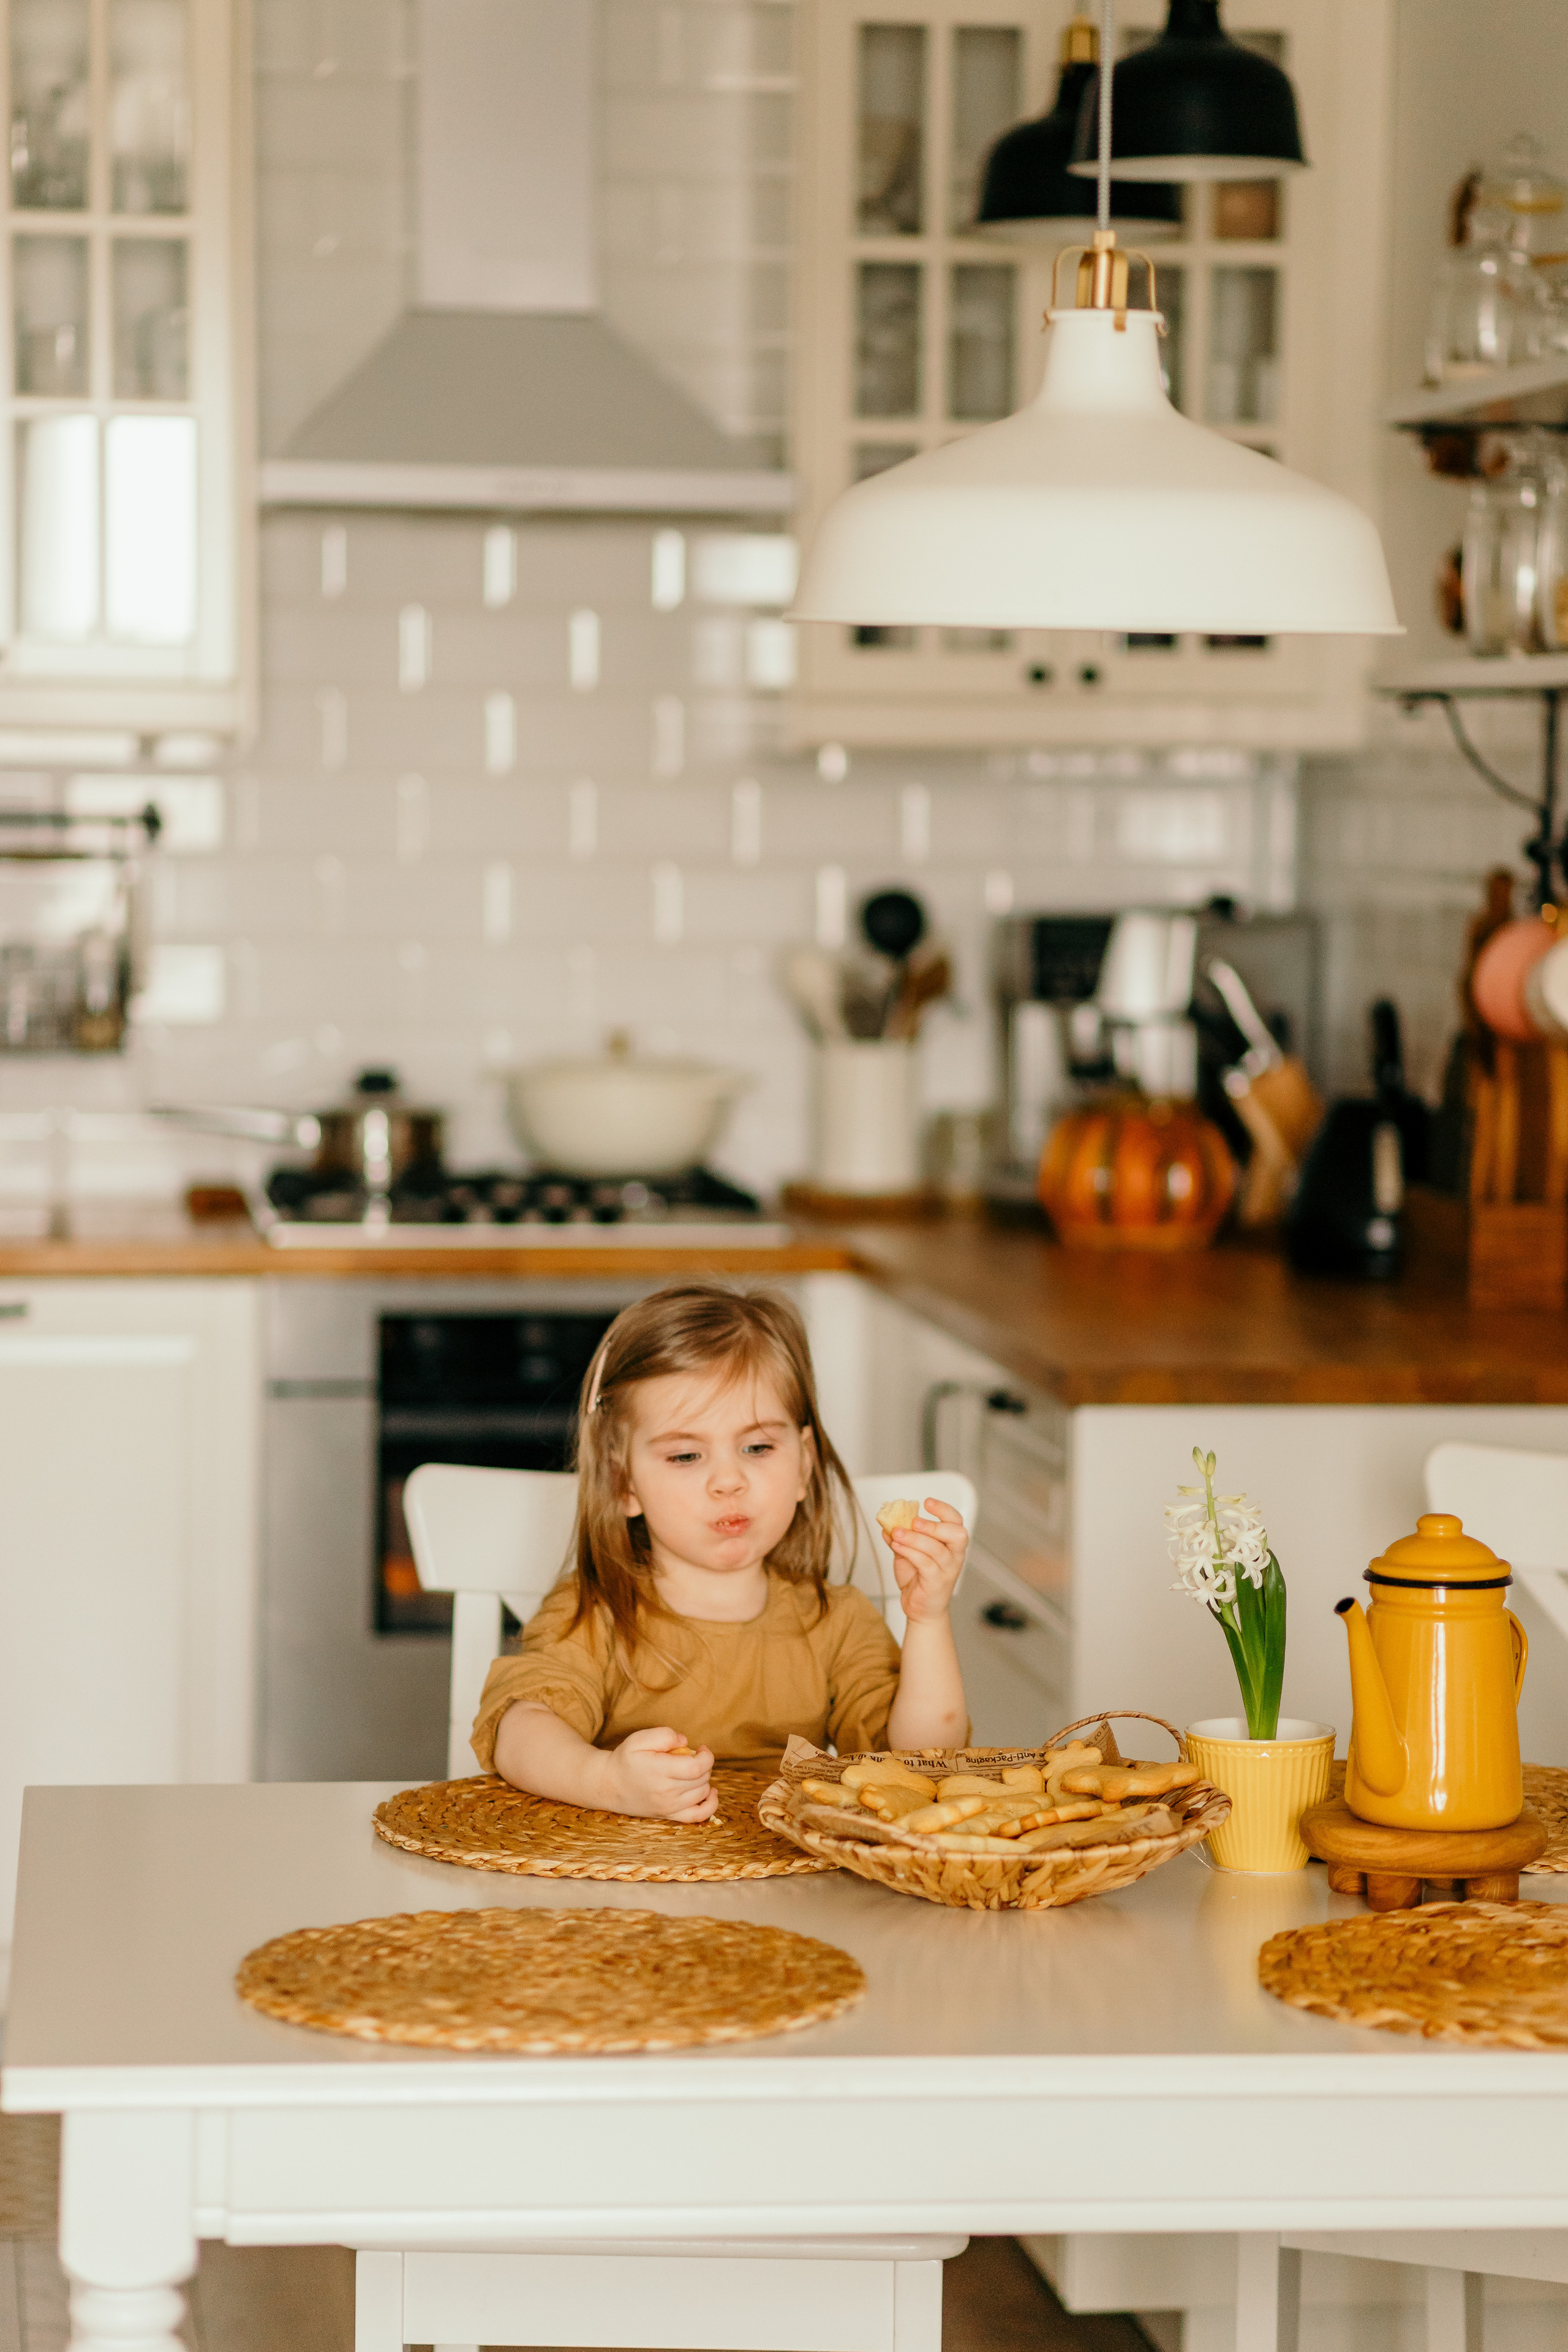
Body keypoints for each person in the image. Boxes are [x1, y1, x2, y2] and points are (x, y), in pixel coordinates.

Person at [472, 1280, 968, 1820]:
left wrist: (927, 1620)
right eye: (686, 1456)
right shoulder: (596, 1614)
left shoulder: (838, 1623)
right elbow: (519, 1731)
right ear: (624, 1483)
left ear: (803, 1464)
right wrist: (607, 1781)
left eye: (757, 1447)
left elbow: (922, 1763)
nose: (728, 1481)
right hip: (621, 1883)